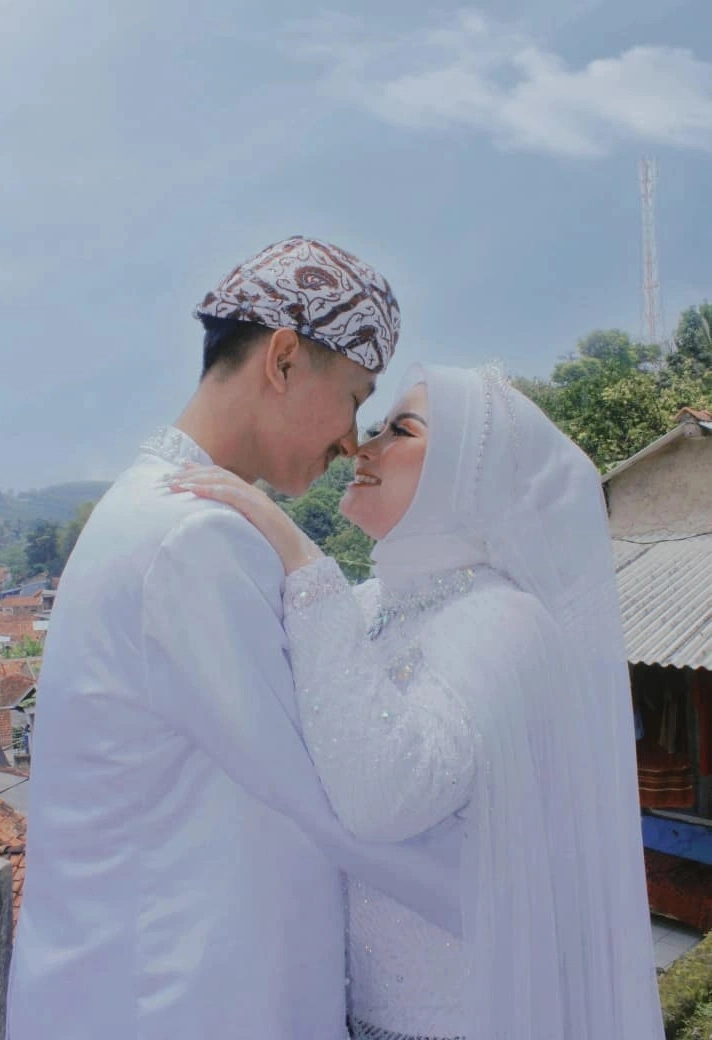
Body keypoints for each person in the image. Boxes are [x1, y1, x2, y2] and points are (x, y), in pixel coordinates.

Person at [7, 235, 434, 1040]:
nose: (353, 440)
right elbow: (334, 790)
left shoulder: (147, 507)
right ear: (284, 359)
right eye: (354, 397)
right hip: (182, 999)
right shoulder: (196, 536)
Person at [170, 363, 666, 1039]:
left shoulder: (503, 620)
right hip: (340, 1006)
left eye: (401, 430)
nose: (360, 446)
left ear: (469, 475)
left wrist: (301, 558)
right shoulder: (368, 603)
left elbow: (383, 796)